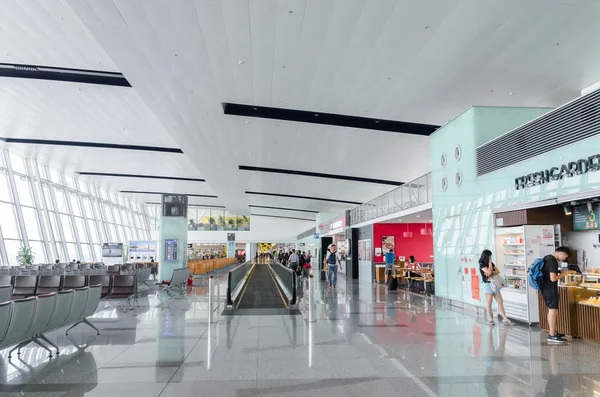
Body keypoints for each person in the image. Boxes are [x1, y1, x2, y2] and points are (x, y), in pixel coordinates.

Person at [542, 246, 571, 343]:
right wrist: (564, 274)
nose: (564, 259)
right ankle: (552, 335)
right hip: (551, 290)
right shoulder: (552, 261)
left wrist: (559, 272)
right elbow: (553, 278)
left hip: (546, 289)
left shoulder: (547, 258)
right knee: (553, 311)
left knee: (552, 311)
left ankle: (553, 332)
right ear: (561, 253)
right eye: (565, 257)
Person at [479, 249, 515, 326]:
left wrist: (490, 271)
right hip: (487, 284)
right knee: (489, 301)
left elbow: (497, 271)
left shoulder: (491, 263)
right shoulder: (481, 264)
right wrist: (490, 270)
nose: (490, 258)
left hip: (495, 283)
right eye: (489, 256)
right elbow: (489, 272)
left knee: (500, 301)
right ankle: (490, 319)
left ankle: (505, 318)